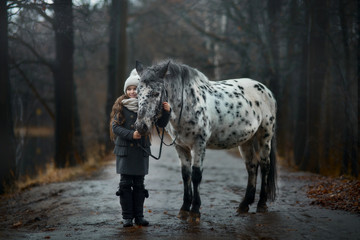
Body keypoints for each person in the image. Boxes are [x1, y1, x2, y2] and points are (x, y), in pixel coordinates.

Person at [109, 69, 171, 227]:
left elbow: (161, 125)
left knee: (139, 185)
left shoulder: (149, 107)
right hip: (125, 151)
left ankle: (139, 217)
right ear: (125, 91)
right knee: (124, 184)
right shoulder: (120, 106)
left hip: (141, 150)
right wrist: (131, 134)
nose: (132, 92)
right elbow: (115, 127)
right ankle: (127, 217)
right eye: (129, 89)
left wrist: (166, 112)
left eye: (135, 89)